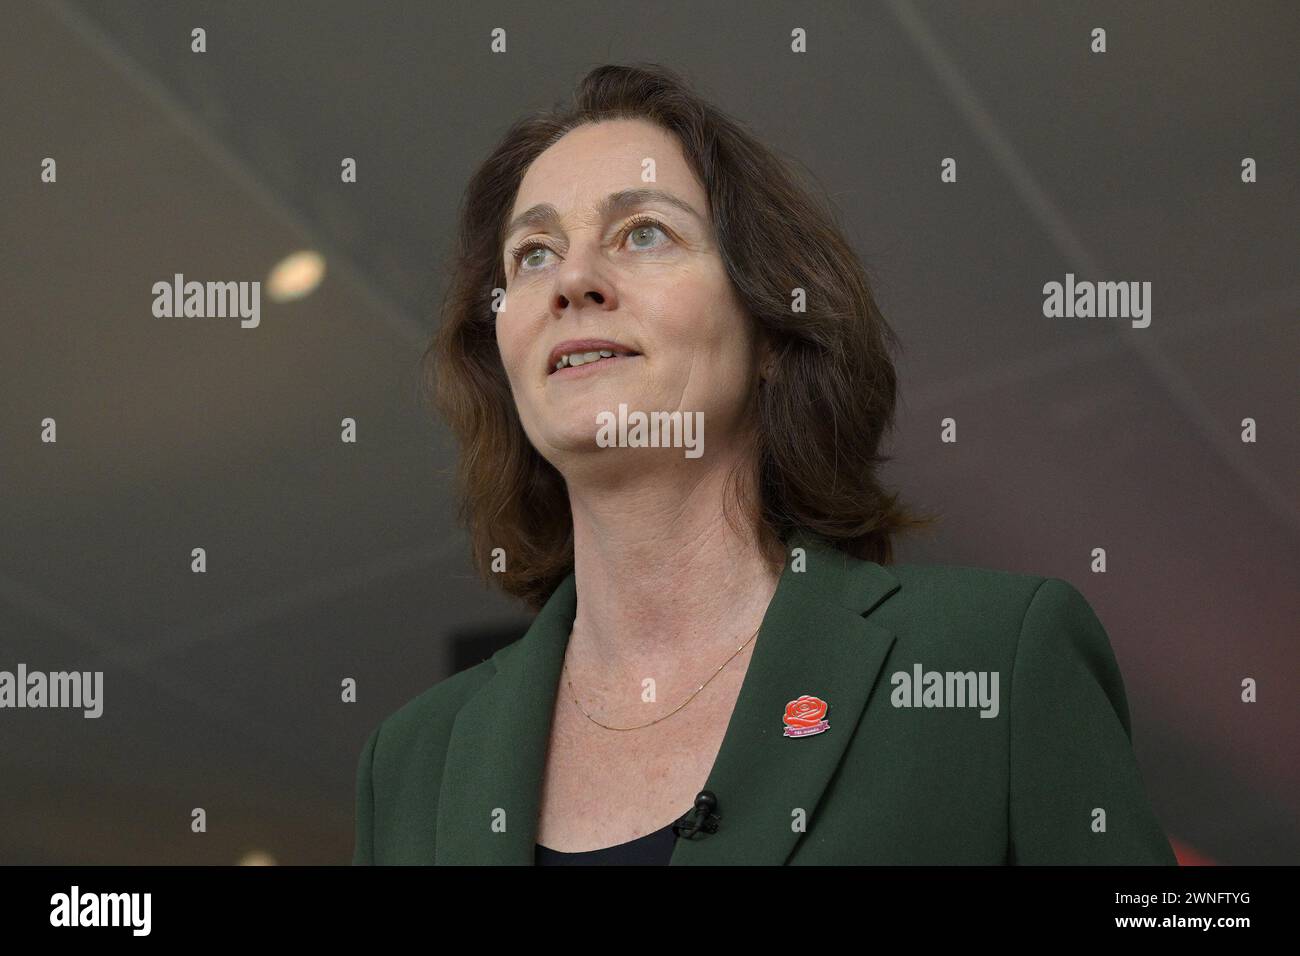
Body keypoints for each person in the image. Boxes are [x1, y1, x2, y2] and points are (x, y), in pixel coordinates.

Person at [351, 63, 1177, 865]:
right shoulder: (412, 764)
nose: (572, 279)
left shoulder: (990, 658)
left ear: (774, 331)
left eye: (644, 233)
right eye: (532, 253)